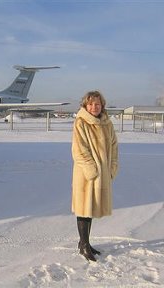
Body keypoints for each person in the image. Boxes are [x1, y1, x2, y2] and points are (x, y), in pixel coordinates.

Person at [71, 90, 118, 262]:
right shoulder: (81, 122)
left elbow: (114, 147)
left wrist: (111, 167)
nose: (94, 107)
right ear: (85, 105)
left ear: (102, 105)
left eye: (97, 104)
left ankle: (85, 242)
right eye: (90, 104)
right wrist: (92, 170)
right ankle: (83, 246)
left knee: (90, 208)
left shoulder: (107, 123)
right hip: (86, 175)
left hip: (102, 173)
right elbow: (79, 150)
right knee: (84, 208)